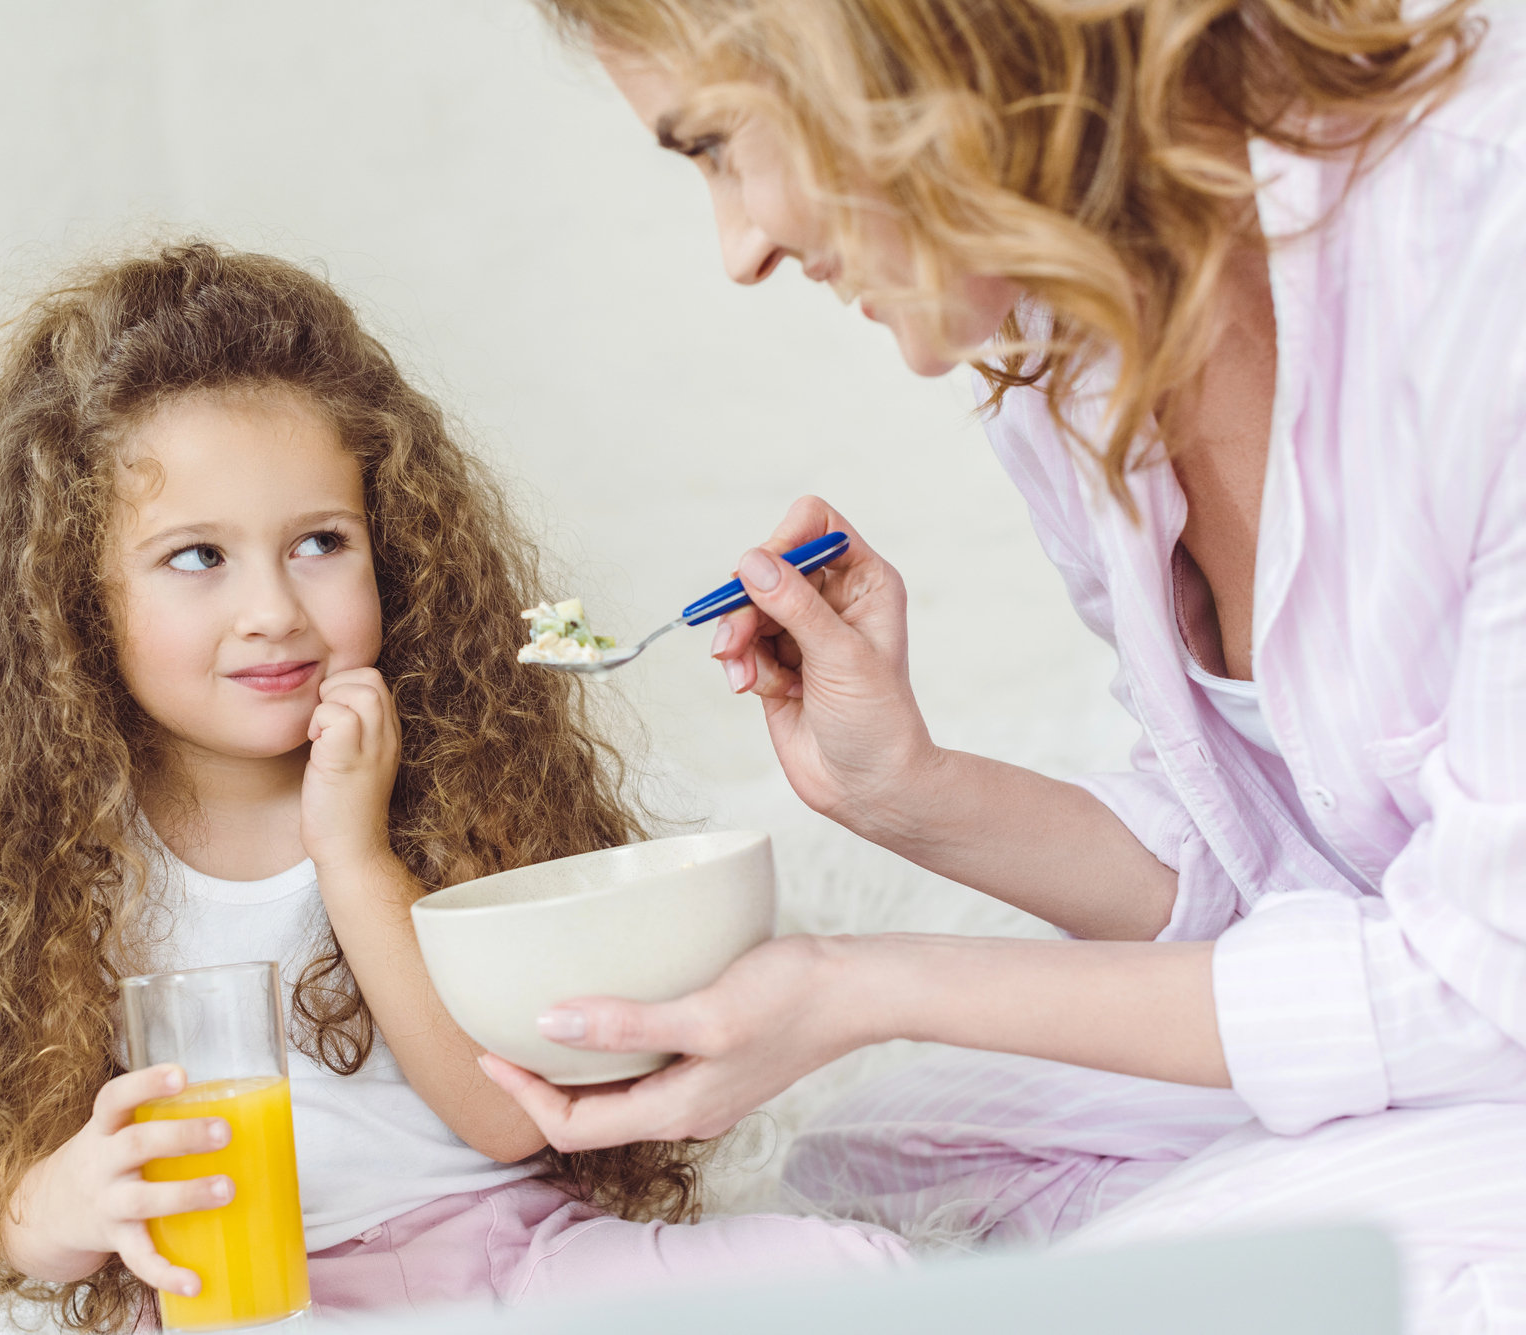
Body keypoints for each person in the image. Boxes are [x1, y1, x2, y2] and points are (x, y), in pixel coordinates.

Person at [480, 1, 1526, 1328]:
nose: (738, 245)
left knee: (1172, 1277)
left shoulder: (1493, 243)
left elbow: (1481, 984)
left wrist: (863, 981)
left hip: (1497, 1017)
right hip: (1463, 1007)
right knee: (890, 1146)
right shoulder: (1064, 343)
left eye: (719, 146)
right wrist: (907, 789)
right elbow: (1284, 865)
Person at [0, 240, 907, 1331]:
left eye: (319, 542)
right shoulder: (53, 845)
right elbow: (2, 1200)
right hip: (239, 1296)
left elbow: (504, 1122)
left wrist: (352, 851)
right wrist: (63, 1204)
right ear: (71, 596)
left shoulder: (446, 782)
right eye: (198, 557)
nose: (274, 610)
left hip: (509, 1257)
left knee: (846, 1274)